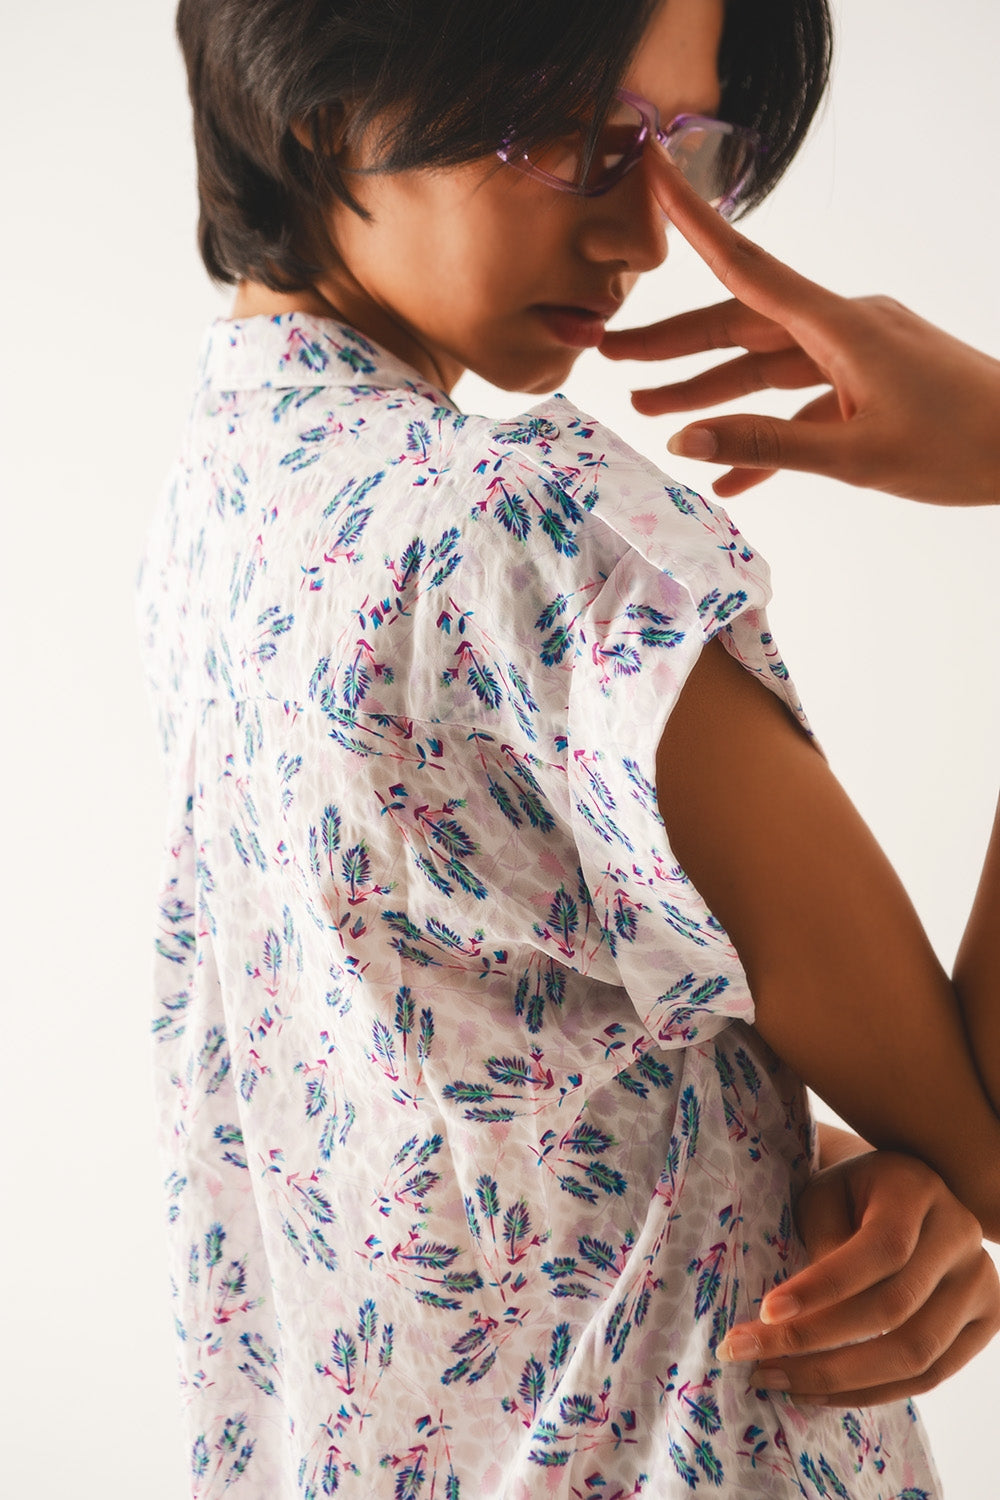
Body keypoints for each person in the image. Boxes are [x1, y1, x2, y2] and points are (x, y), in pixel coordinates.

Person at [137, 1, 999, 1495]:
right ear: (326, 105)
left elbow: (474, 1081)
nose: (645, 238)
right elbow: (992, 1133)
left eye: (684, 152)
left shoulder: (216, 512)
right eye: (579, 140)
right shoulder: (517, 529)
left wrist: (818, 1172)